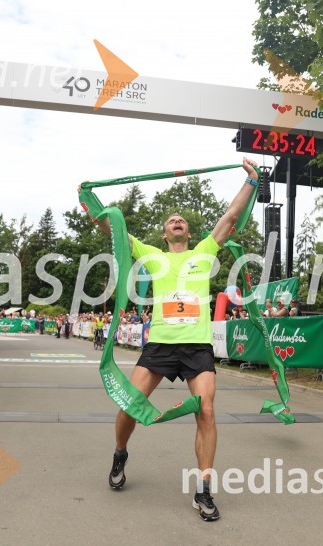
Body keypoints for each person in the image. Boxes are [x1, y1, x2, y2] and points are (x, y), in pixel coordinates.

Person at [88, 157, 259, 522]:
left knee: (207, 411)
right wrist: (88, 200)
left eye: (181, 220)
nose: (177, 221)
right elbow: (111, 227)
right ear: (165, 234)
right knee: (129, 405)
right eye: (170, 221)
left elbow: (229, 218)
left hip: (197, 345)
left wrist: (252, 181)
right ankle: (121, 452)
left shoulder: (204, 251)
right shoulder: (150, 255)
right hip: (161, 344)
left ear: (188, 230)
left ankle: (203, 490)